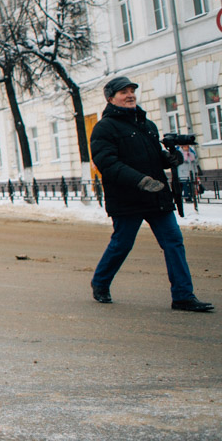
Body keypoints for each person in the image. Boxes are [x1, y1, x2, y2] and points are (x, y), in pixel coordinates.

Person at [89, 76, 213, 312]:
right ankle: (100, 282)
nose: (130, 95)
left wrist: (169, 160)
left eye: (132, 91)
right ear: (110, 98)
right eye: (123, 92)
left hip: (156, 196)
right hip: (128, 199)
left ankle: (183, 296)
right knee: (122, 244)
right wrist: (140, 181)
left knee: (174, 241)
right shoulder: (104, 128)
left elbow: (155, 156)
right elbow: (107, 163)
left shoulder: (146, 124)